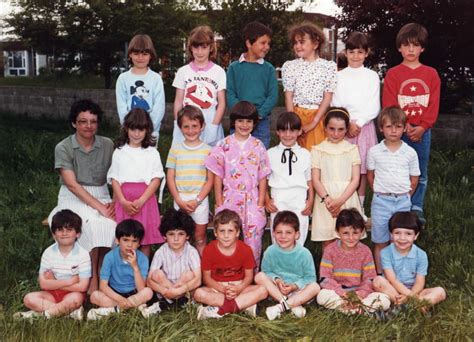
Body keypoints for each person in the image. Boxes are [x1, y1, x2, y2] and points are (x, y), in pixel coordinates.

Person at [48, 99, 116, 293]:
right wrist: (100, 208)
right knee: (90, 225)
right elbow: (72, 185)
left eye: (93, 121)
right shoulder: (64, 147)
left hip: (102, 194)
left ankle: (105, 277)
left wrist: (115, 202)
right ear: (74, 123)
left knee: (111, 225)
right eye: (83, 121)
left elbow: (118, 176)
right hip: (72, 198)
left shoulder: (107, 144)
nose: (88, 126)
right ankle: (91, 284)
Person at [382, 23, 440, 225]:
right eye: (406, 45)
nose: (411, 50)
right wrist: (402, 126)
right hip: (398, 131)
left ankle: (416, 207)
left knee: (420, 170)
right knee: (396, 168)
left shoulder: (431, 74)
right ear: (399, 47)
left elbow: (433, 104)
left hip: (422, 131)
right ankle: (396, 203)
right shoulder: (393, 74)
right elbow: (389, 103)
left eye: (415, 46)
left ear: (422, 48)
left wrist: (423, 126)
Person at [205, 101, 271, 267]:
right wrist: (219, 202)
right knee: (228, 238)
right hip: (230, 198)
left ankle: (251, 279)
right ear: (233, 121)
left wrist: (261, 203)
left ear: (254, 123)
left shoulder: (258, 146)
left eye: (249, 121)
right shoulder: (223, 145)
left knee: (253, 242)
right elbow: (217, 175)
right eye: (240, 121)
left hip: (253, 199)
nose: (244, 125)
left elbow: (263, 176)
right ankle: (229, 277)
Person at [367, 106, 420, 274]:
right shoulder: (374, 151)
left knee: (400, 240)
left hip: (403, 201)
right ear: (381, 128)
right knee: (381, 240)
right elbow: (370, 175)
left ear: (404, 128)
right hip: (381, 201)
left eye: (398, 126)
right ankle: (381, 274)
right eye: (389, 126)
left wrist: (406, 195)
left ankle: (399, 274)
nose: (393, 130)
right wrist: (379, 190)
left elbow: (414, 178)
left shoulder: (410, 153)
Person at [107, 108, 165, 257]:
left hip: (145, 200)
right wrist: (122, 201)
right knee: (125, 237)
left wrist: (141, 200)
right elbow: (114, 179)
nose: (136, 133)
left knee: (145, 239)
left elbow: (156, 179)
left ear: (147, 130)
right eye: (133, 129)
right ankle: (124, 274)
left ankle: (143, 274)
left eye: (141, 129)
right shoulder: (119, 152)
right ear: (126, 128)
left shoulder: (152, 152)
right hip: (124, 200)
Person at [331, 32, 380, 208]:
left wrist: (358, 123)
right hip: (343, 128)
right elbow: (336, 102)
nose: (355, 56)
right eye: (351, 52)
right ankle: (343, 206)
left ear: (366, 53)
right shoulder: (338, 76)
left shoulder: (372, 76)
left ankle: (358, 209)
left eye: (360, 52)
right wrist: (348, 123)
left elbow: (374, 106)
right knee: (344, 169)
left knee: (361, 171)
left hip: (364, 128)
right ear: (346, 52)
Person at [14, 210, 90, 320]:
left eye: (69, 229)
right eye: (59, 230)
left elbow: (82, 286)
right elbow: (43, 284)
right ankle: (68, 314)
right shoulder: (48, 253)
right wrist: (69, 281)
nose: (64, 233)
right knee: (28, 298)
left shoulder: (83, 254)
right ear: (54, 234)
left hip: (72, 294)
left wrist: (53, 281)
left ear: (77, 233)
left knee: (75, 300)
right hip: (51, 294)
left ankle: (40, 316)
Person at [193, 209, 268, 320]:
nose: (226, 236)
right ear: (215, 233)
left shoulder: (246, 250)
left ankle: (219, 309)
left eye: (230, 231)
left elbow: (249, 276)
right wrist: (222, 289)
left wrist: (238, 288)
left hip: (239, 287)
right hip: (217, 287)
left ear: (237, 233)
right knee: (198, 293)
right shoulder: (209, 250)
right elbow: (207, 278)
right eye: (222, 231)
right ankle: (243, 306)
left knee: (263, 290)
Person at [316, 209, 390, 315]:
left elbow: (370, 279)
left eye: (355, 233)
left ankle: (352, 309)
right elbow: (325, 279)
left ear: (362, 232)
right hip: (338, 294)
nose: (351, 238)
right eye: (345, 233)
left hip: (361, 295)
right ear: (338, 232)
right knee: (322, 296)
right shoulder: (330, 250)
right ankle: (357, 310)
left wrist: (358, 296)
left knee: (384, 299)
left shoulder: (365, 251)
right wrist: (343, 294)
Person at [311, 108, 363, 250]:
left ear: (347, 129)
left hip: (347, 198)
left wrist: (339, 202)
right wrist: (329, 201)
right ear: (325, 127)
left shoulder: (352, 149)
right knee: (328, 240)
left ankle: (349, 270)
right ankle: (327, 271)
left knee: (349, 238)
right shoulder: (317, 150)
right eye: (332, 128)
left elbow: (355, 179)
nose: (336, 133)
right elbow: (316, 179)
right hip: (325, 200)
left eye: (341, 129)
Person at [373, 212, 446, 311]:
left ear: (416, 236)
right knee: (378, 281)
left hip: (414, 291)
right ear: (391, 235)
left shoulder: (421, 255)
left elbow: (420, 282)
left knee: (440, 292)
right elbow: (392, 280)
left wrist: (410, 295)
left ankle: (405, 305)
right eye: (397, 233)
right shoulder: (385, 253)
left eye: (408, 233)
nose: (402, 238)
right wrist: (411, 296)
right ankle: (417, 305)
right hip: (393, 290)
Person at [255, 211, 320, 320]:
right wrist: (277, 280)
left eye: (288, 232)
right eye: (279, 232)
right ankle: (290, 304)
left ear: (297, 234)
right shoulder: (270, 251)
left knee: (315, 287)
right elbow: (266, 272)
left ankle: (281, 307)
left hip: (298, 291)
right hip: (277, 291)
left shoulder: (304, 253)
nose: (283, 236)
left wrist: (294, 286)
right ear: (273, 233)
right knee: (259, 276)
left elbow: (310, 278)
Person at [282, 21, 337, 151]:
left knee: (316, 156)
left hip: (317, 117)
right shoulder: (290, 66)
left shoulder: (328, 67)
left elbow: (327, 97)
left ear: (315, 44)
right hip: (296, 115)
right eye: (295, 43)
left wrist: (314, 122)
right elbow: (289, 96)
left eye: (302, 42)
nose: (298, 46)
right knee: (296, 154)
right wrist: (292, 122)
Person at [166, 106, 214, 255]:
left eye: (195, 126)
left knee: (199, 238)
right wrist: (178, 200)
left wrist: (198, 200)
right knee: (180, 238)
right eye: (186, 127)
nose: (191, 130)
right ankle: (181, 269)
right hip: (180, 198)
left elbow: (210, 180)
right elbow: (170, 177)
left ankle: (202, 271)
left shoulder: (208, 150)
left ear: (202, 126)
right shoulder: (175, 149)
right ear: (180, 128)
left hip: (199, 200)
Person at [226, 21, 278, 148]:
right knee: (237, 155)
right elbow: (230, 93)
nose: (267, 47)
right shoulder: (234, 68)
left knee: (259, 156)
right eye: (263, 43)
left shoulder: (269, 69)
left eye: (268, 44)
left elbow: (273, 96)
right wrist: (241, 114)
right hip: (238, 122)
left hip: (261, 122)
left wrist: (258, 115)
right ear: (249, 43)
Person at [87, 219, 153, 320]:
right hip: (114, 293)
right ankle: (131, 308)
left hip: (134, 292)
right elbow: (103, 286)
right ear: (117, 240)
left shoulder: (142, 259)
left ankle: (114, 310)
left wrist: (135, 267)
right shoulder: (110, 257)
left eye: (134, 241)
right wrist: (120, 299)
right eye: (125, 240)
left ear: (139, 243)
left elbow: (141, 289)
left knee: (148, 292)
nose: (130, 245)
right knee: (94, 296)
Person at [172, 25, 226, 146]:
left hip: (210, 123)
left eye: (204, 47)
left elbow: (221, 103)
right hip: (187, 125)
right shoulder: (182, 71)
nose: (199, 51)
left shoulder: (219, 72)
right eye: (196, 47)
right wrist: (178, 123)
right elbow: (178, 101)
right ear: (190, 48)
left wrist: (214, 126)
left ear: (211, 48)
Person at [265, 112, 313, 245]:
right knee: (279, 237)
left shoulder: (305, 154)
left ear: (299, 132)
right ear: (278, 132)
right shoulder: (270, 154)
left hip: (299, 200)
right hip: (279, 200)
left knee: (299, 236)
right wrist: (266, 199)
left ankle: (297, 263)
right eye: (283, 130)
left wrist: (310, 200)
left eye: (292, 130)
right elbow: (263, 180)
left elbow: (309, 180)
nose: (288, 134)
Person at [143, 209, 201, 317]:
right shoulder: (161, 252)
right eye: (171, 234)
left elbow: (198, 280)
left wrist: (177, 291)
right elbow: (150, 281)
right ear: (164, 236)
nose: (176, 239)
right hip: (165, 291)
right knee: (156, 274)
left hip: (185, 291)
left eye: (180, 234)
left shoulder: (191, 251)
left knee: (189, 275)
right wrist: (165, 291)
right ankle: (173, 302)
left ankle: (170, 303)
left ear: (187, 236)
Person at [116, 34, 165, 141]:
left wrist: (147, 129)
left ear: (151, 55)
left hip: (150, 133)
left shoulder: (156, 78)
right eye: (136, 53)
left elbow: (159, 108)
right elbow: (122, 108)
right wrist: (130, 128)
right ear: (130, 55)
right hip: (129, 132)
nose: (140, 58)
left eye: (145, 54)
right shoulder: (123, 78)